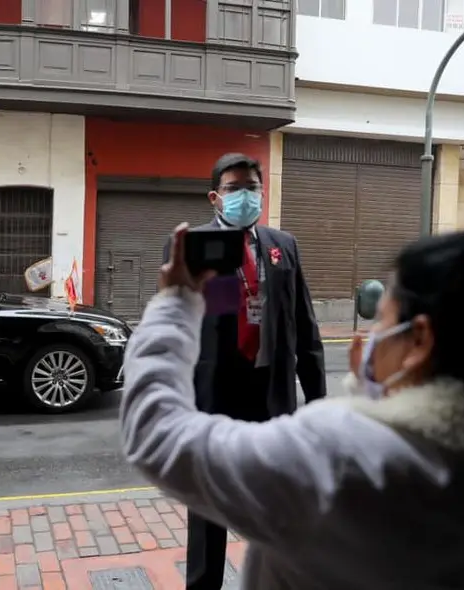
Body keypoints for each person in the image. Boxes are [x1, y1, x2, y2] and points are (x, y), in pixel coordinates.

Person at [122, 227, 464, 589]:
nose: (368, 340)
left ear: (418, 341)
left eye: (382, 319)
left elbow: (159, 437)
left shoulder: (340, 457)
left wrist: (174, 304)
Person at [162, 153, 325, 590]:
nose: (246, 196)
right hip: (215, 395)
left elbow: (304, 325)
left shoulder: (283, 244)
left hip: (271, 392)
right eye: (235, 189)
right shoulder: (190, 246)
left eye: (253, 187)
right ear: (215, 196)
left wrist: (317, 400)